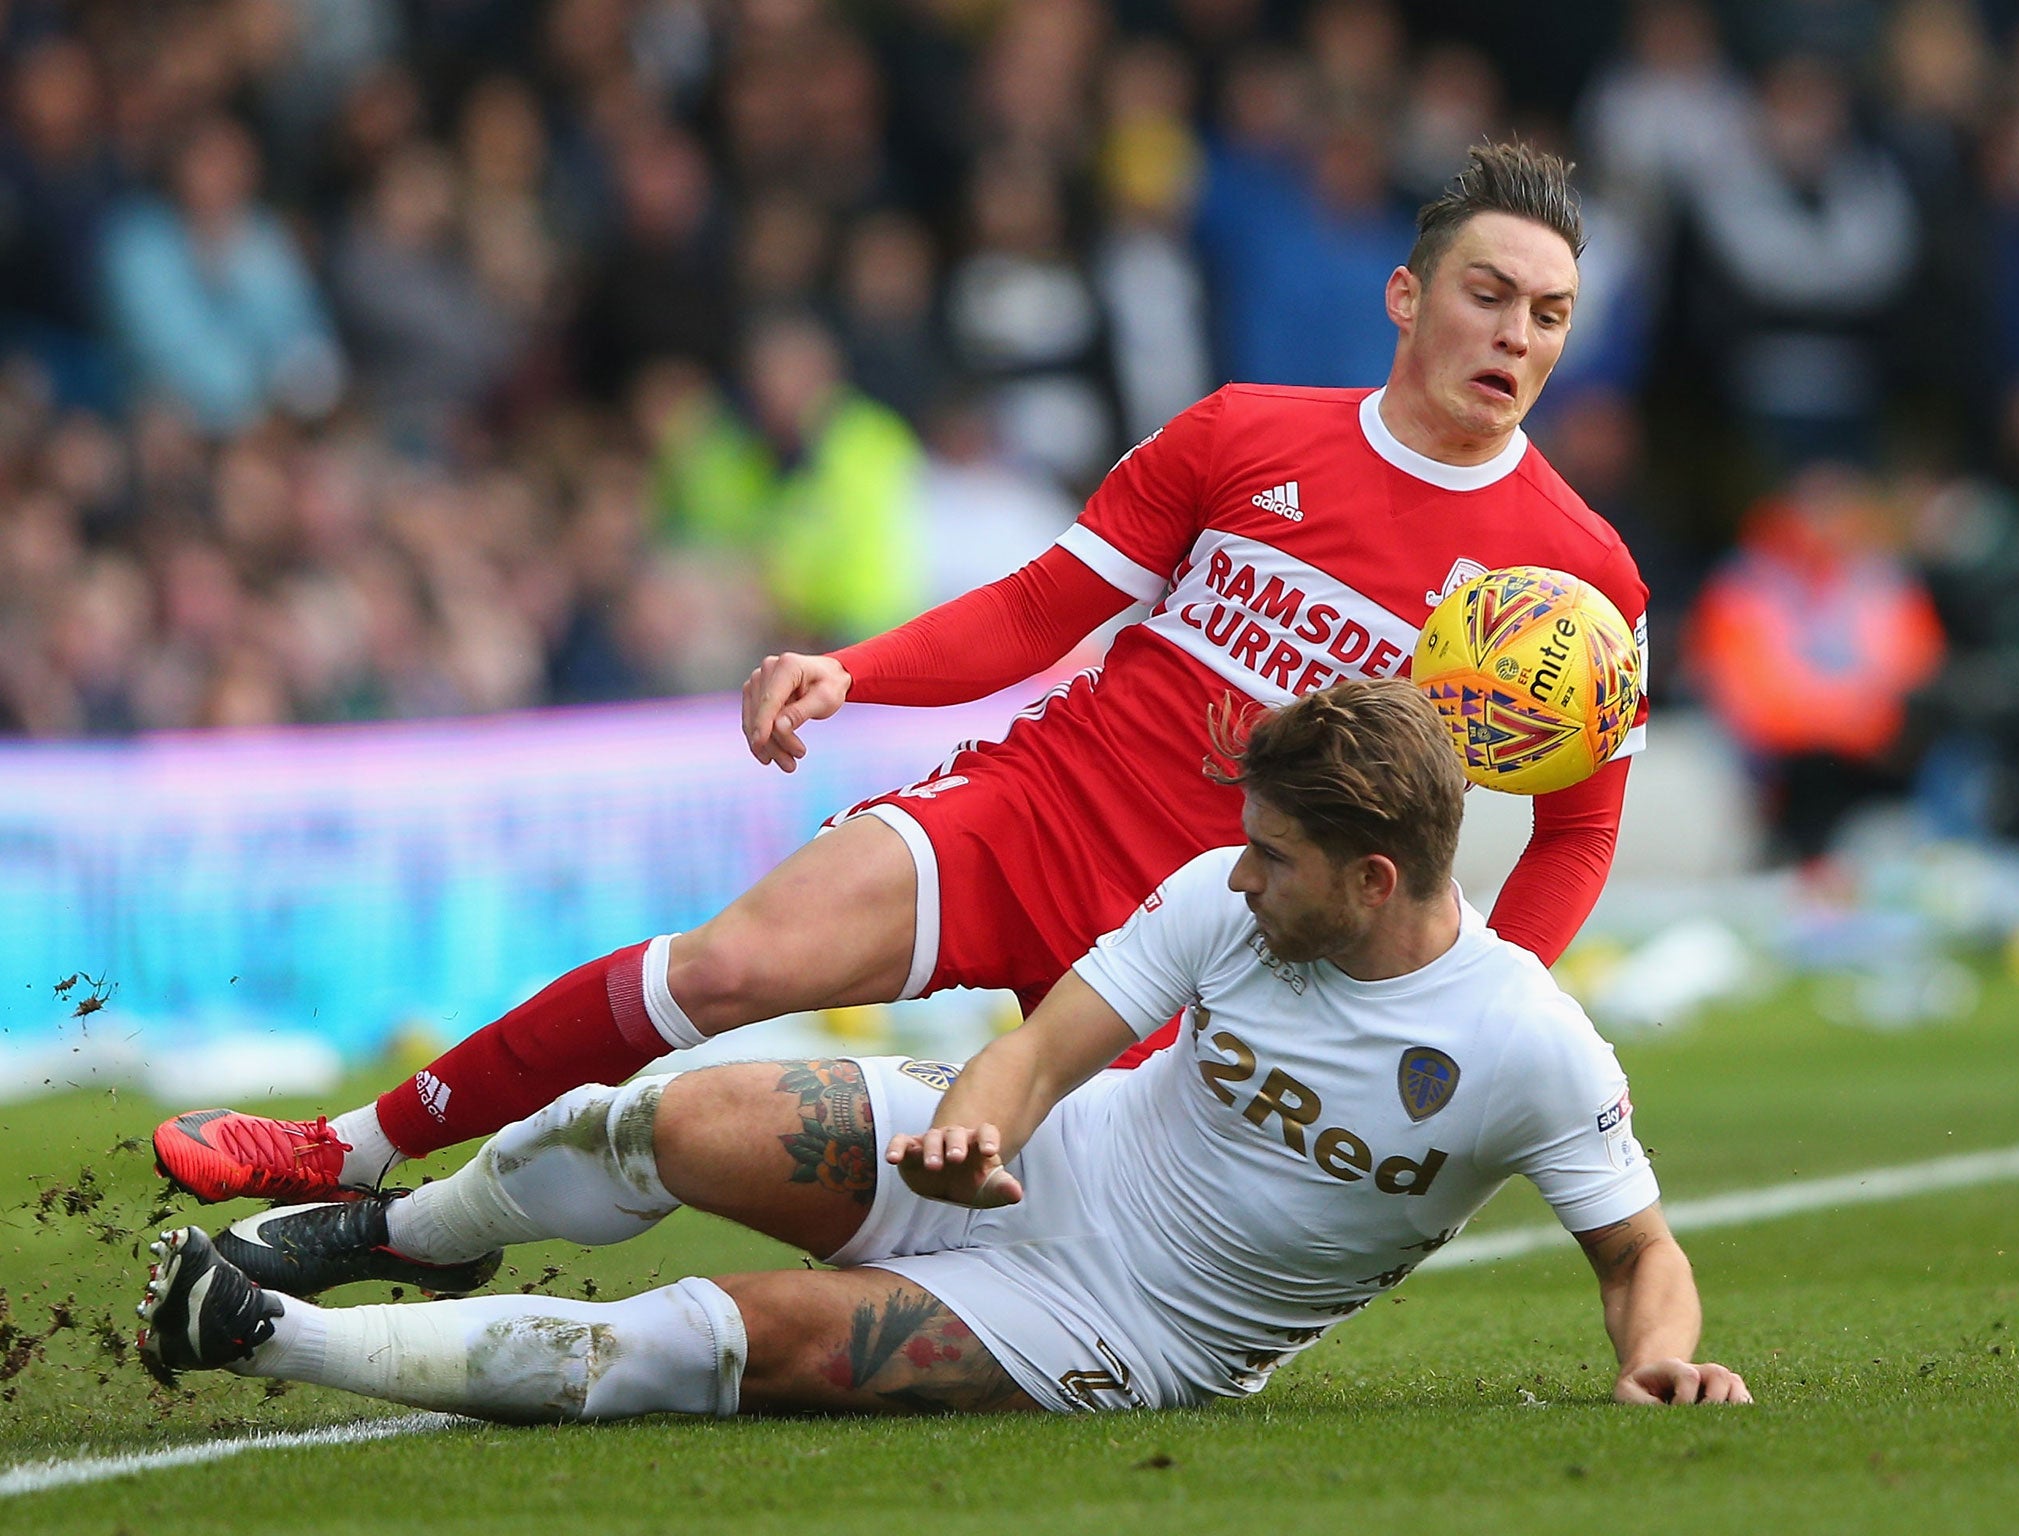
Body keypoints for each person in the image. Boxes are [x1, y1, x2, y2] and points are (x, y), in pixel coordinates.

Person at [152, 140, 1653, 1208]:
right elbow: (1037, 609)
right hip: (1041, 810)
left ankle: (422, 1241)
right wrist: (847, 670)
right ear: (1406, 298)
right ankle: (345, 1151)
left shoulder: (1578, 583)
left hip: (1228, 941)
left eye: (1548, 315)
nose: (1515, 335)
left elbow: (1580, 827)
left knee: (1014, 1247)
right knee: (726, 966)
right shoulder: (1245, 434)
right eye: (1488, 294)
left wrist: (1481, 997)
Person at [137, 681, 1748, 1417]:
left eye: (1273, 856)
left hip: (1121, 1325)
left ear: (1376, 881)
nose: (1237, 873)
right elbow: (1047, 1053)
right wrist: (976, 1126)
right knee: (662, 1124)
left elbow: (1639, 1254)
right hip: (1047, 1162)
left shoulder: (1530, 1046)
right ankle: (387, 1234)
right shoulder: (1222, 899)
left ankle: (262, 1337)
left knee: (710, 1345)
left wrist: (1654, 1359)